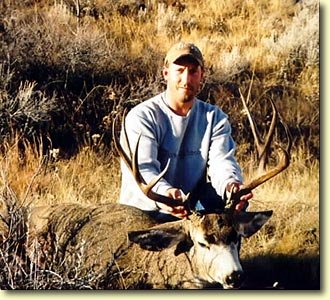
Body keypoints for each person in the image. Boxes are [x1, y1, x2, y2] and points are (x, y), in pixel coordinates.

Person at [118, 41, 252, 222]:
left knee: (232, 205)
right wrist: (166, 193)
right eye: (179, 70)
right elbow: (145, 169)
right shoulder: (143, 117)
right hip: (146, 211)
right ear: (166, 74)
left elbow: (222, 162)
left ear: (201, 75)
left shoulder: (214, 117)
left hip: (190, 209)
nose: (186, 79)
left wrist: (231, 185)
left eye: (193, 71)